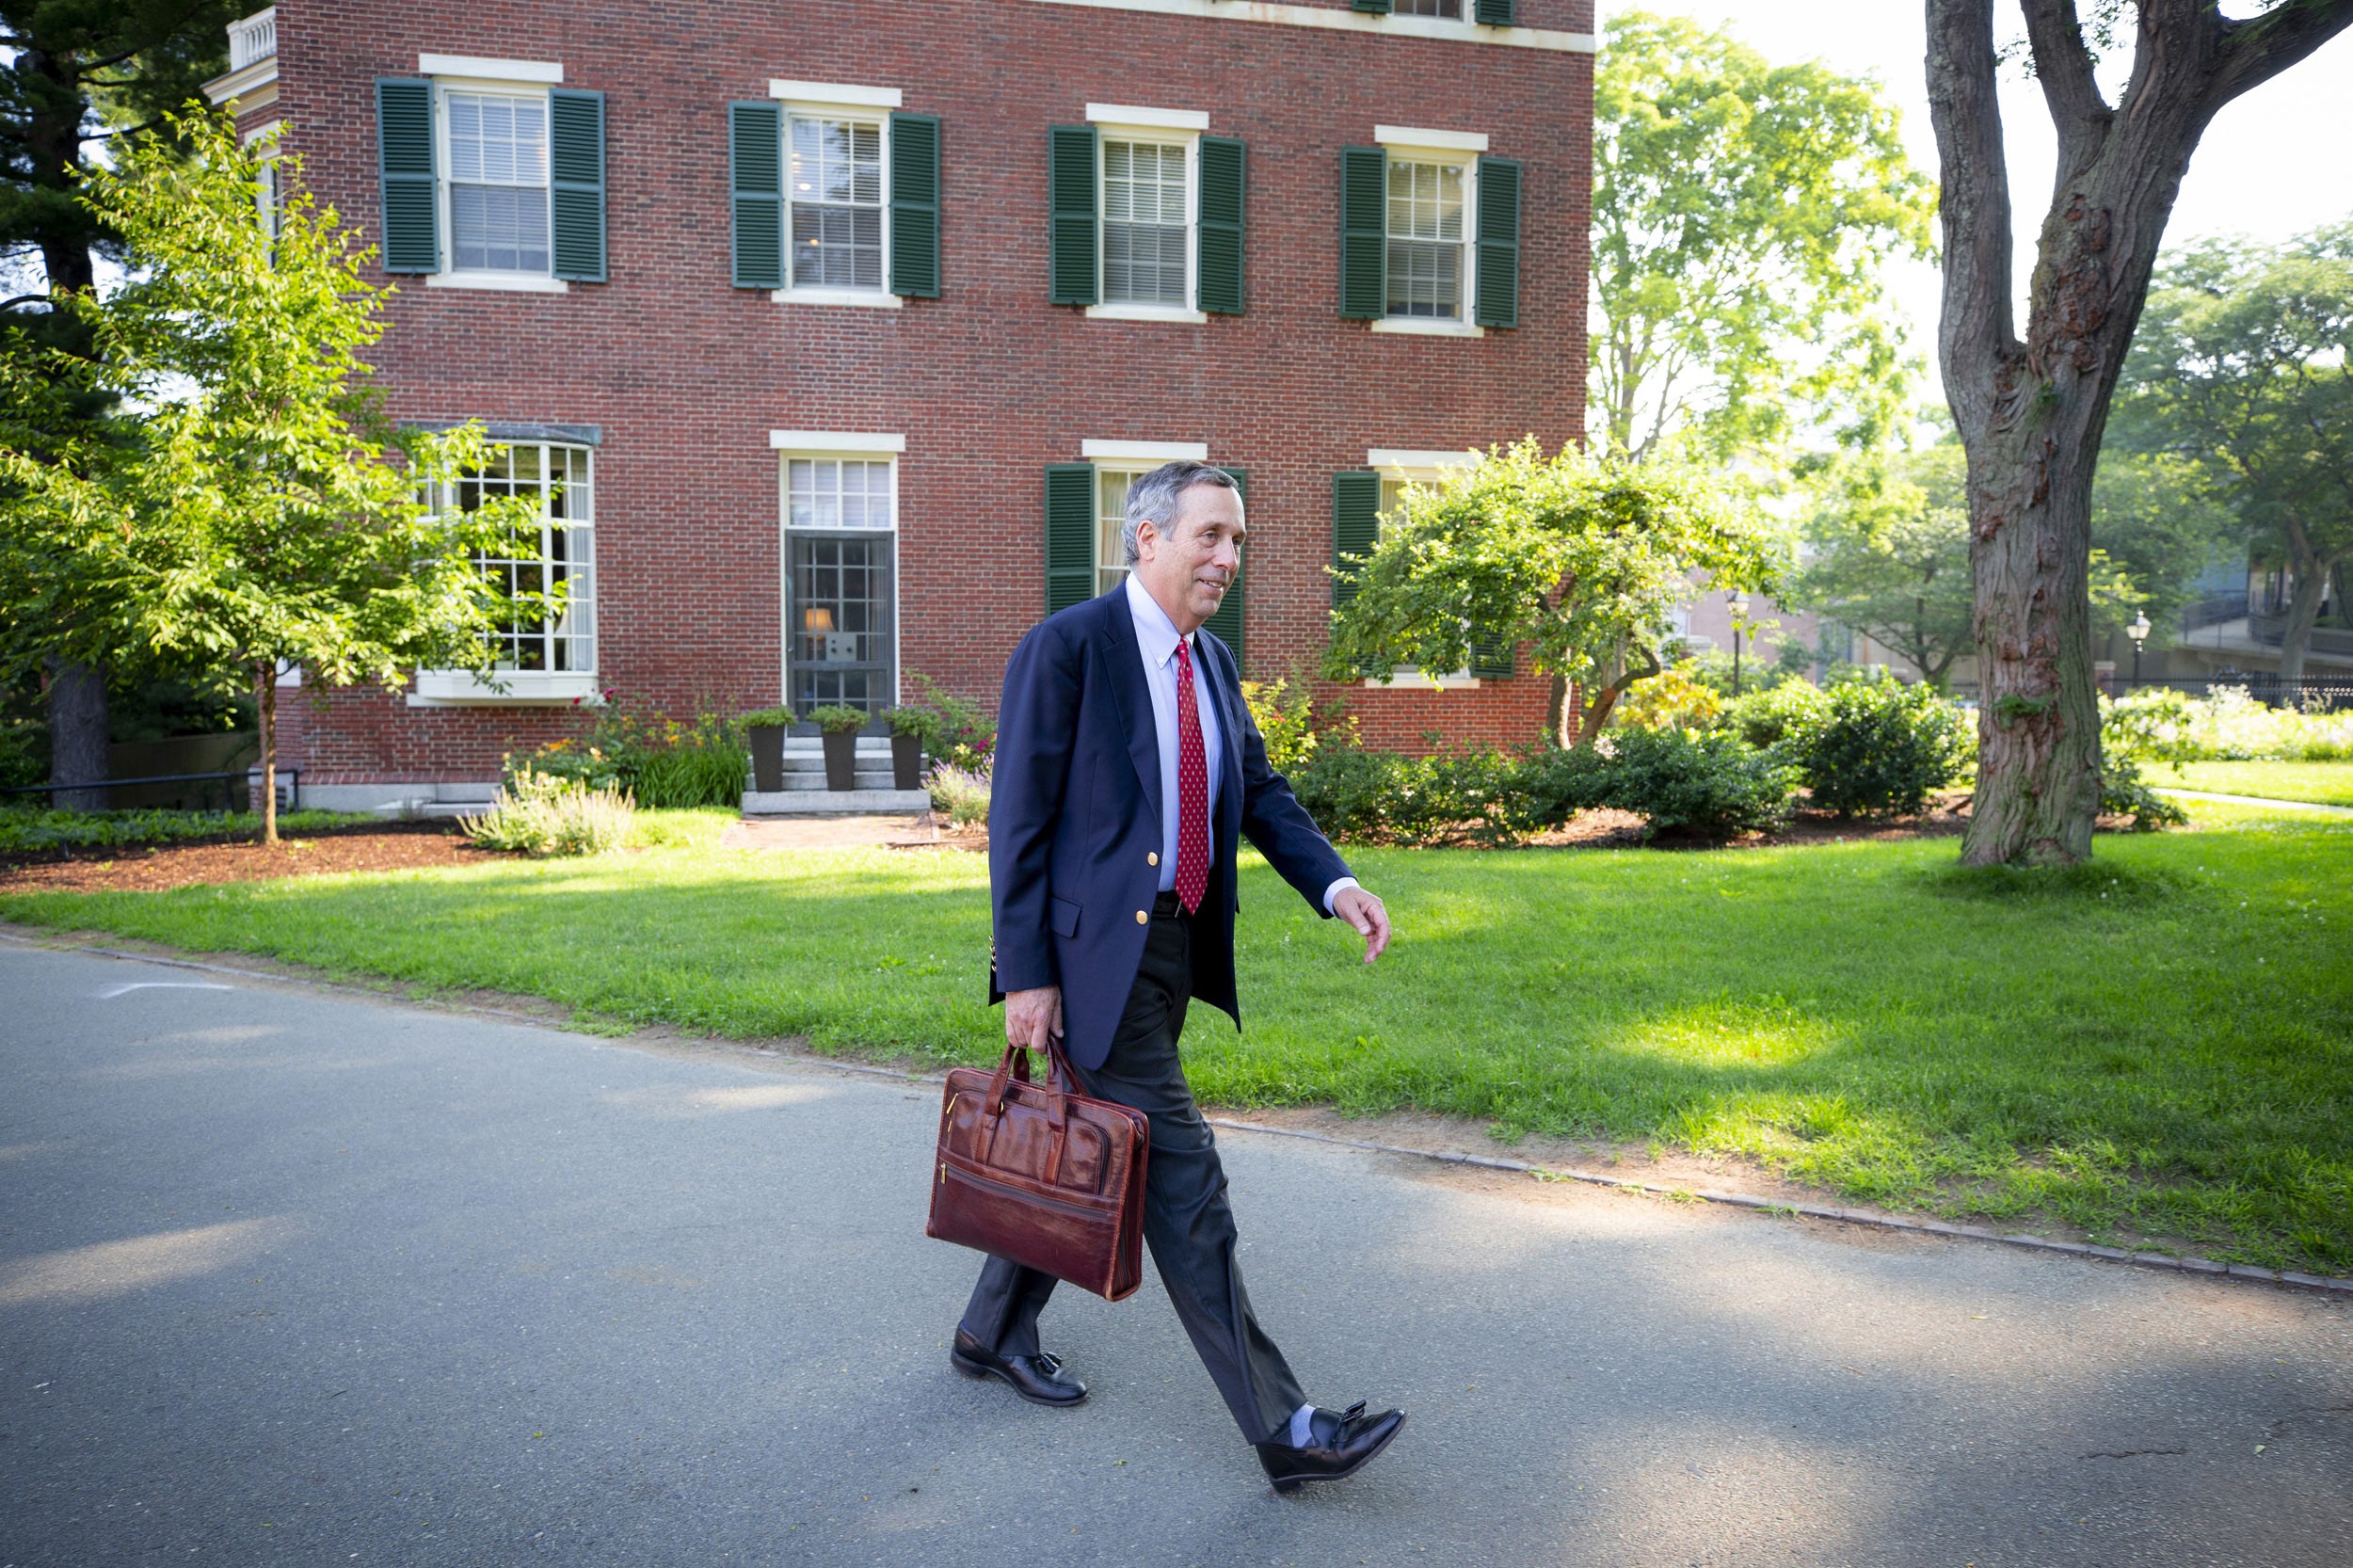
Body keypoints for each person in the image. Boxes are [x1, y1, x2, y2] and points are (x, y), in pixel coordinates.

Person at [953, 460, 1404, 1495]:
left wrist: (1336, 885)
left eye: (1237, 542)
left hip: (1173, 956)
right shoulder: (1066, 650)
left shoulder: (1212, 663)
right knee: (1185, 1186)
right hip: (1085, 967)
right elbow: (1015, 825)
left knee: (1092, 1148)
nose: (1227, 559)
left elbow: (1258, 791)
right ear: (1146, 535)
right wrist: (1025, 975)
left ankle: (990, 1330)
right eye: (1210, 536)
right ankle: (1287, 1428)